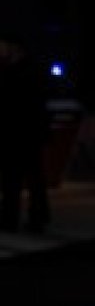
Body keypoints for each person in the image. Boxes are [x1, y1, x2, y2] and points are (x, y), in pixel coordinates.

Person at [0, 33, 51, 233]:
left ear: (13, 48)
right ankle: (35, 217)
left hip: (19, 132)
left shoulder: (16, 72)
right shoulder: (30, 70)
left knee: (14, 178)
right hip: (28, 132)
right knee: (32, 178)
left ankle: (12, 218)